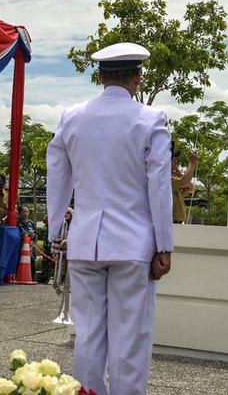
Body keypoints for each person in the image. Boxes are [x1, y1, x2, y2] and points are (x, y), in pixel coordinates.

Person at [47, 42, 174, 395]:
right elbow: (159, 186)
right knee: (130, 339)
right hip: (133, 244)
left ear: (100, 76)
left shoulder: (71, 116)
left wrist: (55, 228)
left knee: (88, 336)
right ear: (138, 76)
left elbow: (57, 174)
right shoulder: (151, 119)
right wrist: (163, 244)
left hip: (86, 240)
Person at [171, 144, 199, 224]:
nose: (176, 161)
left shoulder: (175, 176)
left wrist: (177, 171)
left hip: (177, 223)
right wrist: (192, 163)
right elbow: (184, 182)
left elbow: (191, 188)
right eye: (173, 159)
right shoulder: (165, 177)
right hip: (169, 222)